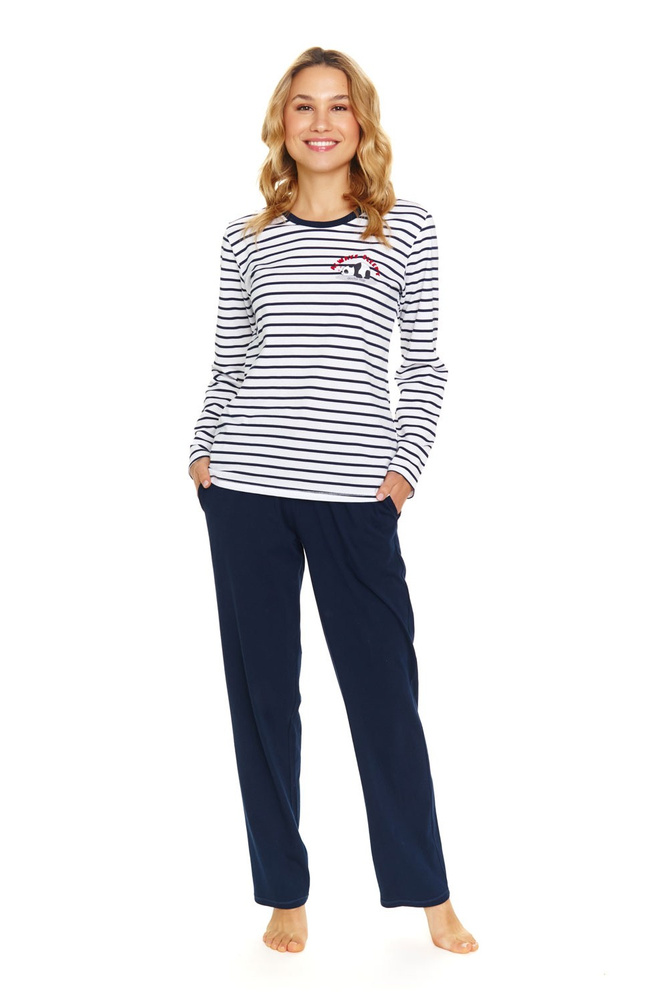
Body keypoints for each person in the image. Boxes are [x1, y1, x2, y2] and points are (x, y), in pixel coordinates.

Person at [188, 46, 478, 956]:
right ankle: (284, 894)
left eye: (338, 107)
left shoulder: (405, 228)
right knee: (262, 700)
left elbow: (423, 366)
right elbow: (229, 360)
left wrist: (402, 474)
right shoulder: (244, 238)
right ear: (282, 123)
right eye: (304, 106)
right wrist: (202, 452)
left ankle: (429, 894)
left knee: (384, 697)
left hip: (355, 498)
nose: (321, 123)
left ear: (362, 124)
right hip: (245, 490)